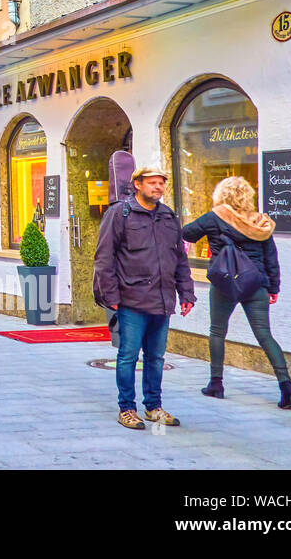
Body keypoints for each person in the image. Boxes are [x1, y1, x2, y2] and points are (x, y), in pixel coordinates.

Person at [94, 165, 195, 430]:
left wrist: (186, 292)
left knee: (156, 357)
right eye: (152, 182)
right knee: (128, 356)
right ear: (137, 184)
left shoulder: (169, 217)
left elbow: (179, 258)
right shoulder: (120, 213)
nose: (158, 187)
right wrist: (111, 295)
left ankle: (153, 407)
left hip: (162, 301)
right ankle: (127, 408)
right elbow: (104, 258)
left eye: (161, 183)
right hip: (131, 299)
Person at [183, 176, 291, 409]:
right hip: (256, 284)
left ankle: (216, 383)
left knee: (217, 331)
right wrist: (273, 287)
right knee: (265, 335)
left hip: (225, 283)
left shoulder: (215, 217)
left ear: (220, 195)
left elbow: (187, 233)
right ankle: (287, 387)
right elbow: (271, 258)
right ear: (248, 196)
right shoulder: (260, 223)